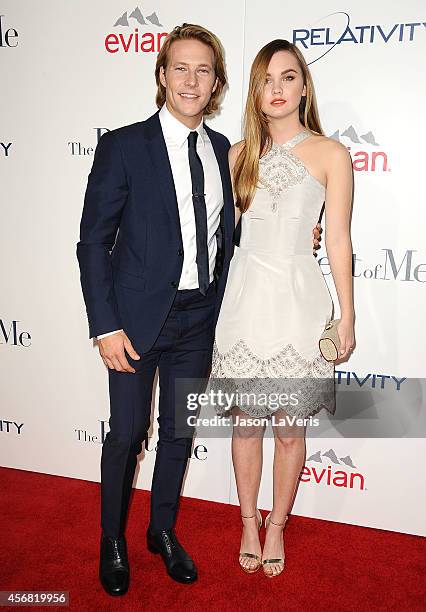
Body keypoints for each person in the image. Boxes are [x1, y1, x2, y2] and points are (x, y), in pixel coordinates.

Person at [77, 24, 322, 595]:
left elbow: (248, 225)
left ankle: (161, 531)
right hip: (134, 323)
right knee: (127, 434)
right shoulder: (124, 145)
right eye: (180, 68)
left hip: (201, 320)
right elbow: (92, 242)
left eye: (204, 70)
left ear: (216, 83)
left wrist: (300, 235)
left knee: (179, 433)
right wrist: (104, 324)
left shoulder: (225, 152)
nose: (192, 80)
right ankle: (112, 540)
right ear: (161, 75)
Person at [210, 39, 355, 577]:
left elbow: (337, 238)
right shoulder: (237, 154)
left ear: (303, 86)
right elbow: (216, 236)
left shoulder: (331, 153)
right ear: (255, 88)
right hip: (246, 297)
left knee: (290, 426)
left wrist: (347, 314)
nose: (277, 88)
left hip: (298, 296)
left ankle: (277, 525)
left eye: (288, 77)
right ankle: (247, 519)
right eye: (266, 79)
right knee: (246, 423)